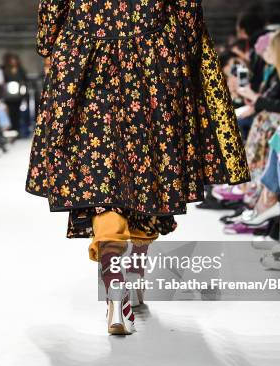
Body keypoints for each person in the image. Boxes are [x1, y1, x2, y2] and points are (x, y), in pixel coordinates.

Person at [26, 0, 250, 335]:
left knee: (100, 177)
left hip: (87, 50)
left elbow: (52, 7)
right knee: (150, 171)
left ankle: (116, 292)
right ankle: (134, 273)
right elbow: (187, 7)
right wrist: (183, 46)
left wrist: (50, 42)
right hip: (152, 52)